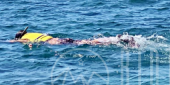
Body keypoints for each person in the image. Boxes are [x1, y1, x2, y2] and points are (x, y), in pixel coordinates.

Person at [10, 27, 139, 48]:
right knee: (86, 41)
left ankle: (117, 41)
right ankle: (116, 39)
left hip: (56, 42)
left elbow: (14, 41)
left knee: (87, 43)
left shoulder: (24, 38)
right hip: (59, 39)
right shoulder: (35, 34)